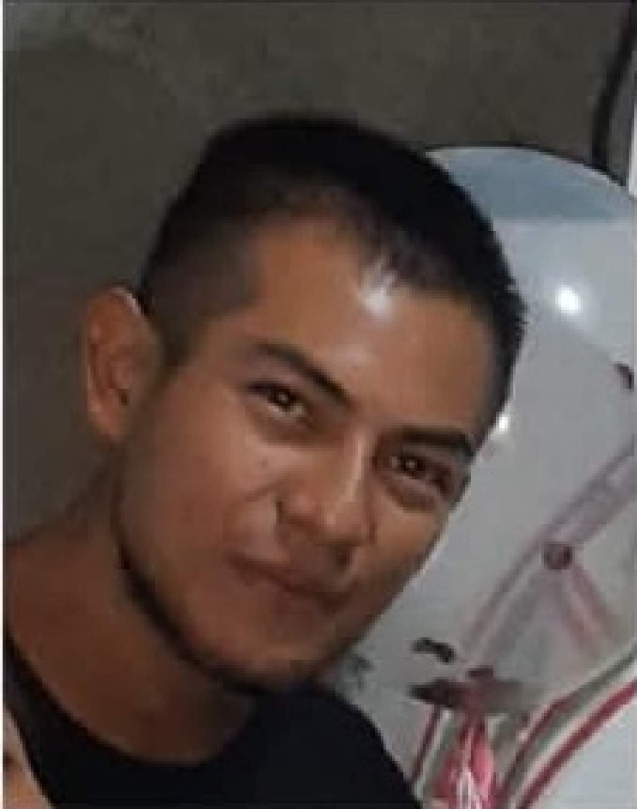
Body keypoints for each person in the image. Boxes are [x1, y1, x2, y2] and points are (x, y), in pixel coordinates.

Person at [5, 114, 526, 807]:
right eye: (285, 402)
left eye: (415, 468)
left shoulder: (344, 783)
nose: (336, 517)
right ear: (122, 375)